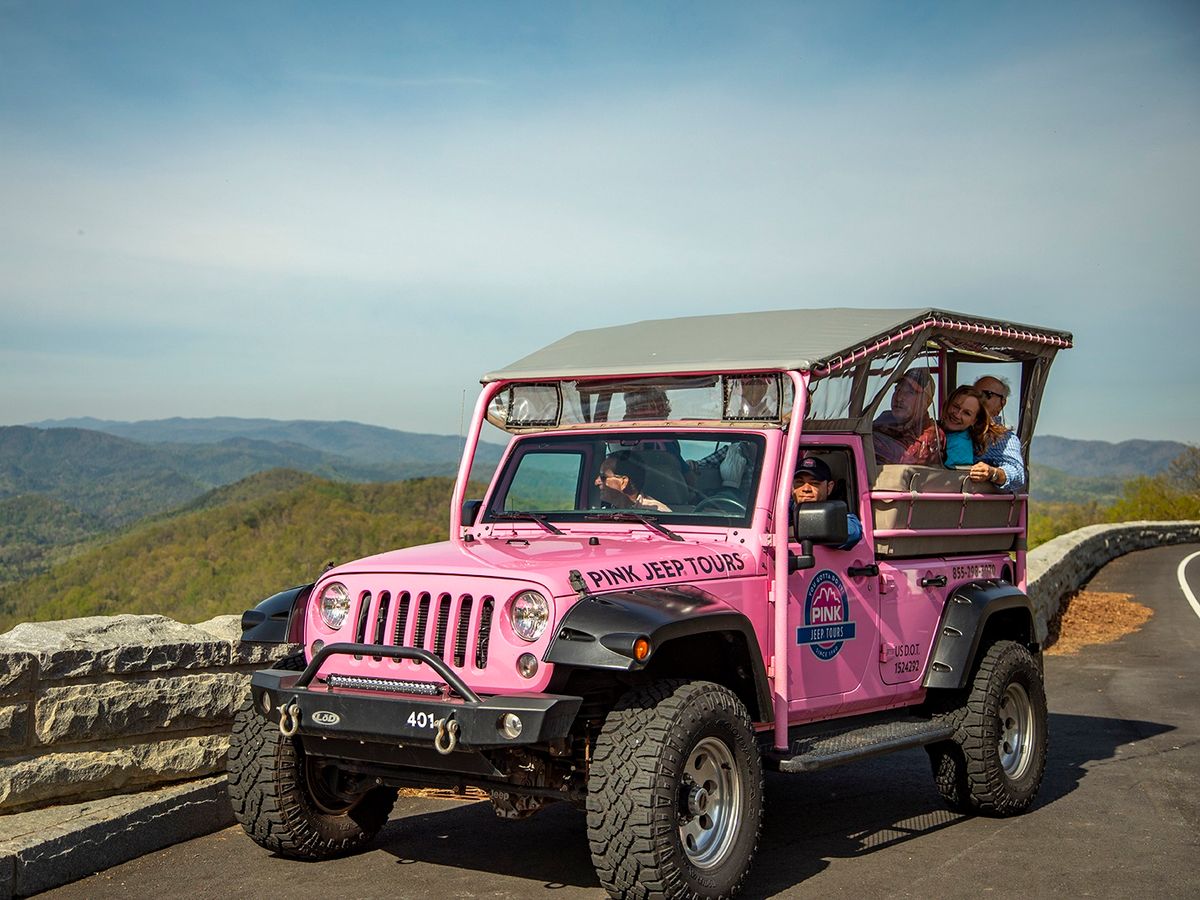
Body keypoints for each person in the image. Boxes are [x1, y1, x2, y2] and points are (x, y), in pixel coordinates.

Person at [792, 457, 862, 550]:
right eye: (799, 482)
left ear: (829, 487)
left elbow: (853, 532)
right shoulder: (780, 510)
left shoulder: (837, 511)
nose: (806, 489)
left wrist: (795, 530)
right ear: (791, 486)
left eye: (814, 483)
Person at [970, 375, 1026, 493]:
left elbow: (1017, 473)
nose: (978, 399)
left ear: (1002, 403)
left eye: (987, 394)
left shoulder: (1005, 439)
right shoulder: (957, 428)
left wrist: (992, 473)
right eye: (974, 394)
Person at [872, 369, 941, 465]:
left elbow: (909, 461)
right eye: (897, 390)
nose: (899, 398)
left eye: (910, 392)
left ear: (926, 402)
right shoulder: (885, 419)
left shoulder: (932, 435)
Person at [595, 450, 672, 512]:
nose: (596, 482)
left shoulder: (658, 514)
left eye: (603, 477)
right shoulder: (601, 513)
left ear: (624, 482)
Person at [939, 386, 988, 469]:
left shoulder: (960, 447)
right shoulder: (934, 428)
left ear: (974, 421)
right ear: (947, 403)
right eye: (956, 407)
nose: (957, 415)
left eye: (966, 413)